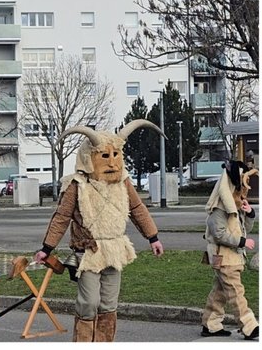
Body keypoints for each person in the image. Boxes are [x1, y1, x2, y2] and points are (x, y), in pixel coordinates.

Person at [36, 121, 165, 342]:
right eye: (105, 156)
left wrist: (153, 238)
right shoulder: (76, 184)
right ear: (89, 157)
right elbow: (62, 217)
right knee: (89, 302)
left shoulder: (123, 183)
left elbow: (137, 209)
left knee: (108, 304)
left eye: (116, 154)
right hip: (88, 251)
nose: (112, 162)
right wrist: (46, 249)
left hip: (115, 249)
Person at [201, 160, 259, 340]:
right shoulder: (219, 207)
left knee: (219, 292)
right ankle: (249, 325)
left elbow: (244, 228)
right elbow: (218, 234)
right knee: (235, 291)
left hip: (232, 257)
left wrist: (249, 213)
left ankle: (210, 324)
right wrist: (242, 242)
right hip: (224, 257)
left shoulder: (233, 205)